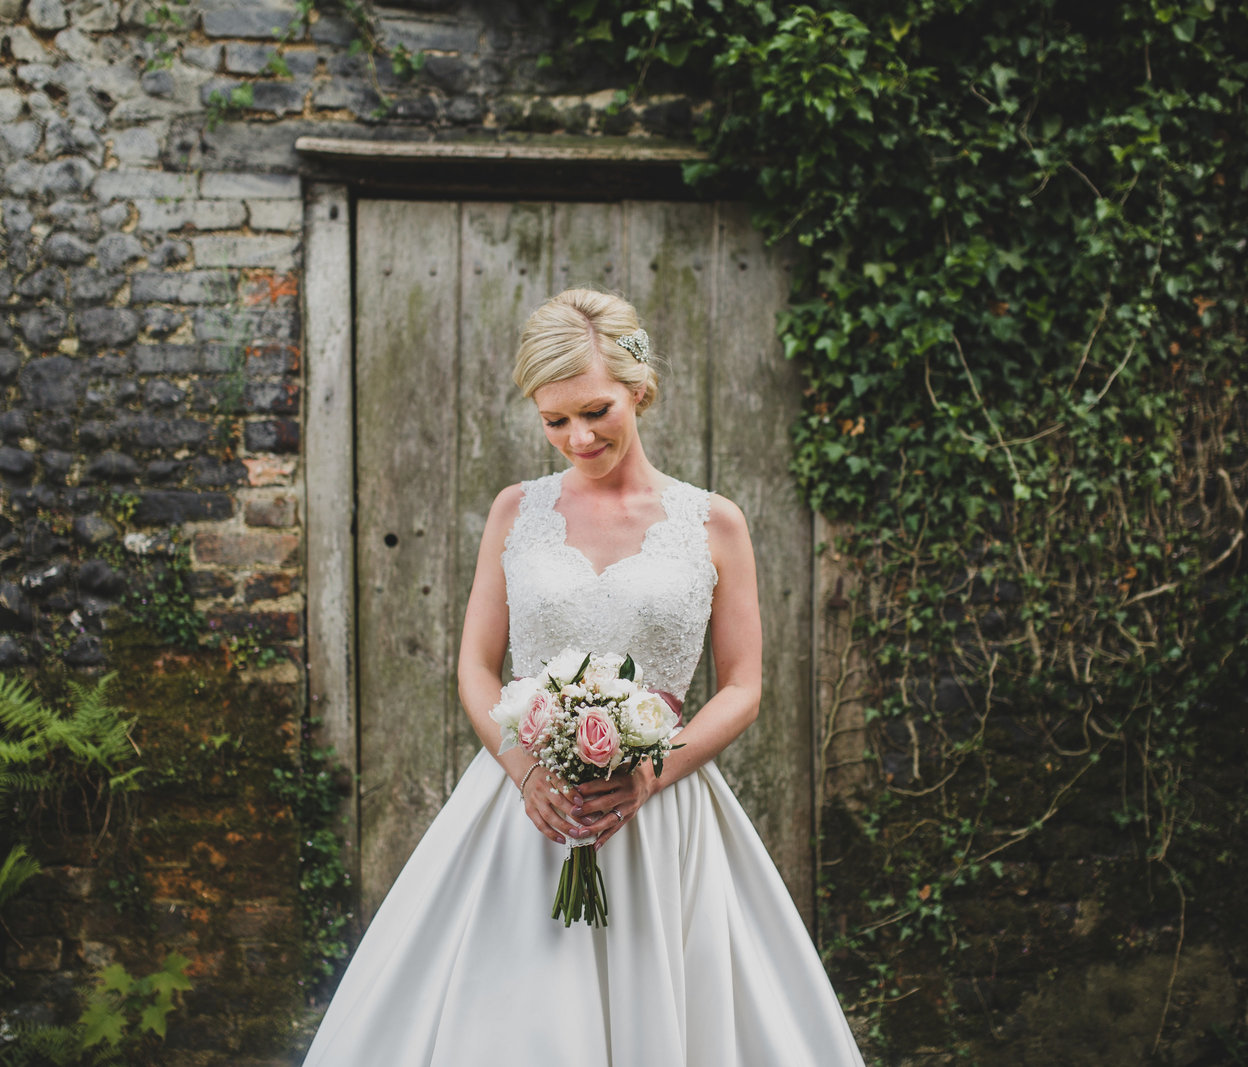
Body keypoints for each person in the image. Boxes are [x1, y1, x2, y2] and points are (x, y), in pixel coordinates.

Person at [301, 289, 866, 1066]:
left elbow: (743, 686)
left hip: (658, 813)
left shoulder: (714, 523)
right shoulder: (515, 512)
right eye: (554, 419)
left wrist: (651, 770)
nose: (578, 436)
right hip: (529, 809)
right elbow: (476, 665)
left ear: (639, 385)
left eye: (596, 409)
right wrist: (524, 768)